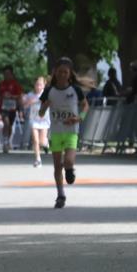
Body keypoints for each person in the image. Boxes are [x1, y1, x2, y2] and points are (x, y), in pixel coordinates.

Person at [38, 57, 88, 209]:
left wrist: (79, 118)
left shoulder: (75, 90)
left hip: (71, 132)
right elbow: (40, 114)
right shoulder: (49, 91)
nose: (62, 75)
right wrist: (45, 106)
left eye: (65, 72)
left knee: (68, 161)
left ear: (70, 73)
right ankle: (60, 195)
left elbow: (85, 106)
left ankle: (69, 169)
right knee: (56, 166)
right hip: (56, 133)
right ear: (55, 73)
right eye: (60, 72)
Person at [0, 66, 23, 152]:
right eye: (5, 74)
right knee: (6, 122)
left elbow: (20, 96)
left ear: (12, 74)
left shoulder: (16, 84)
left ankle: (7, 140)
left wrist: (11, 96)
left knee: (10, 126)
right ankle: (5, 142)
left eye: (8, 74)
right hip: (4, 107)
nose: (6, 76)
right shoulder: (1, 84)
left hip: (12, 108)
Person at [27, 76, 49, 166]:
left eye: (40, 85)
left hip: (44, 120)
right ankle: (38, 159)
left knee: (42, 142)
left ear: (44, 85)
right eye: (37, 85)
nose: (38, 87)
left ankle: (46, 144)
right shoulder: (30, 95)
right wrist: (30, 102)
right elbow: (25, 104)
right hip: (34, 120)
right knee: (35, 141)